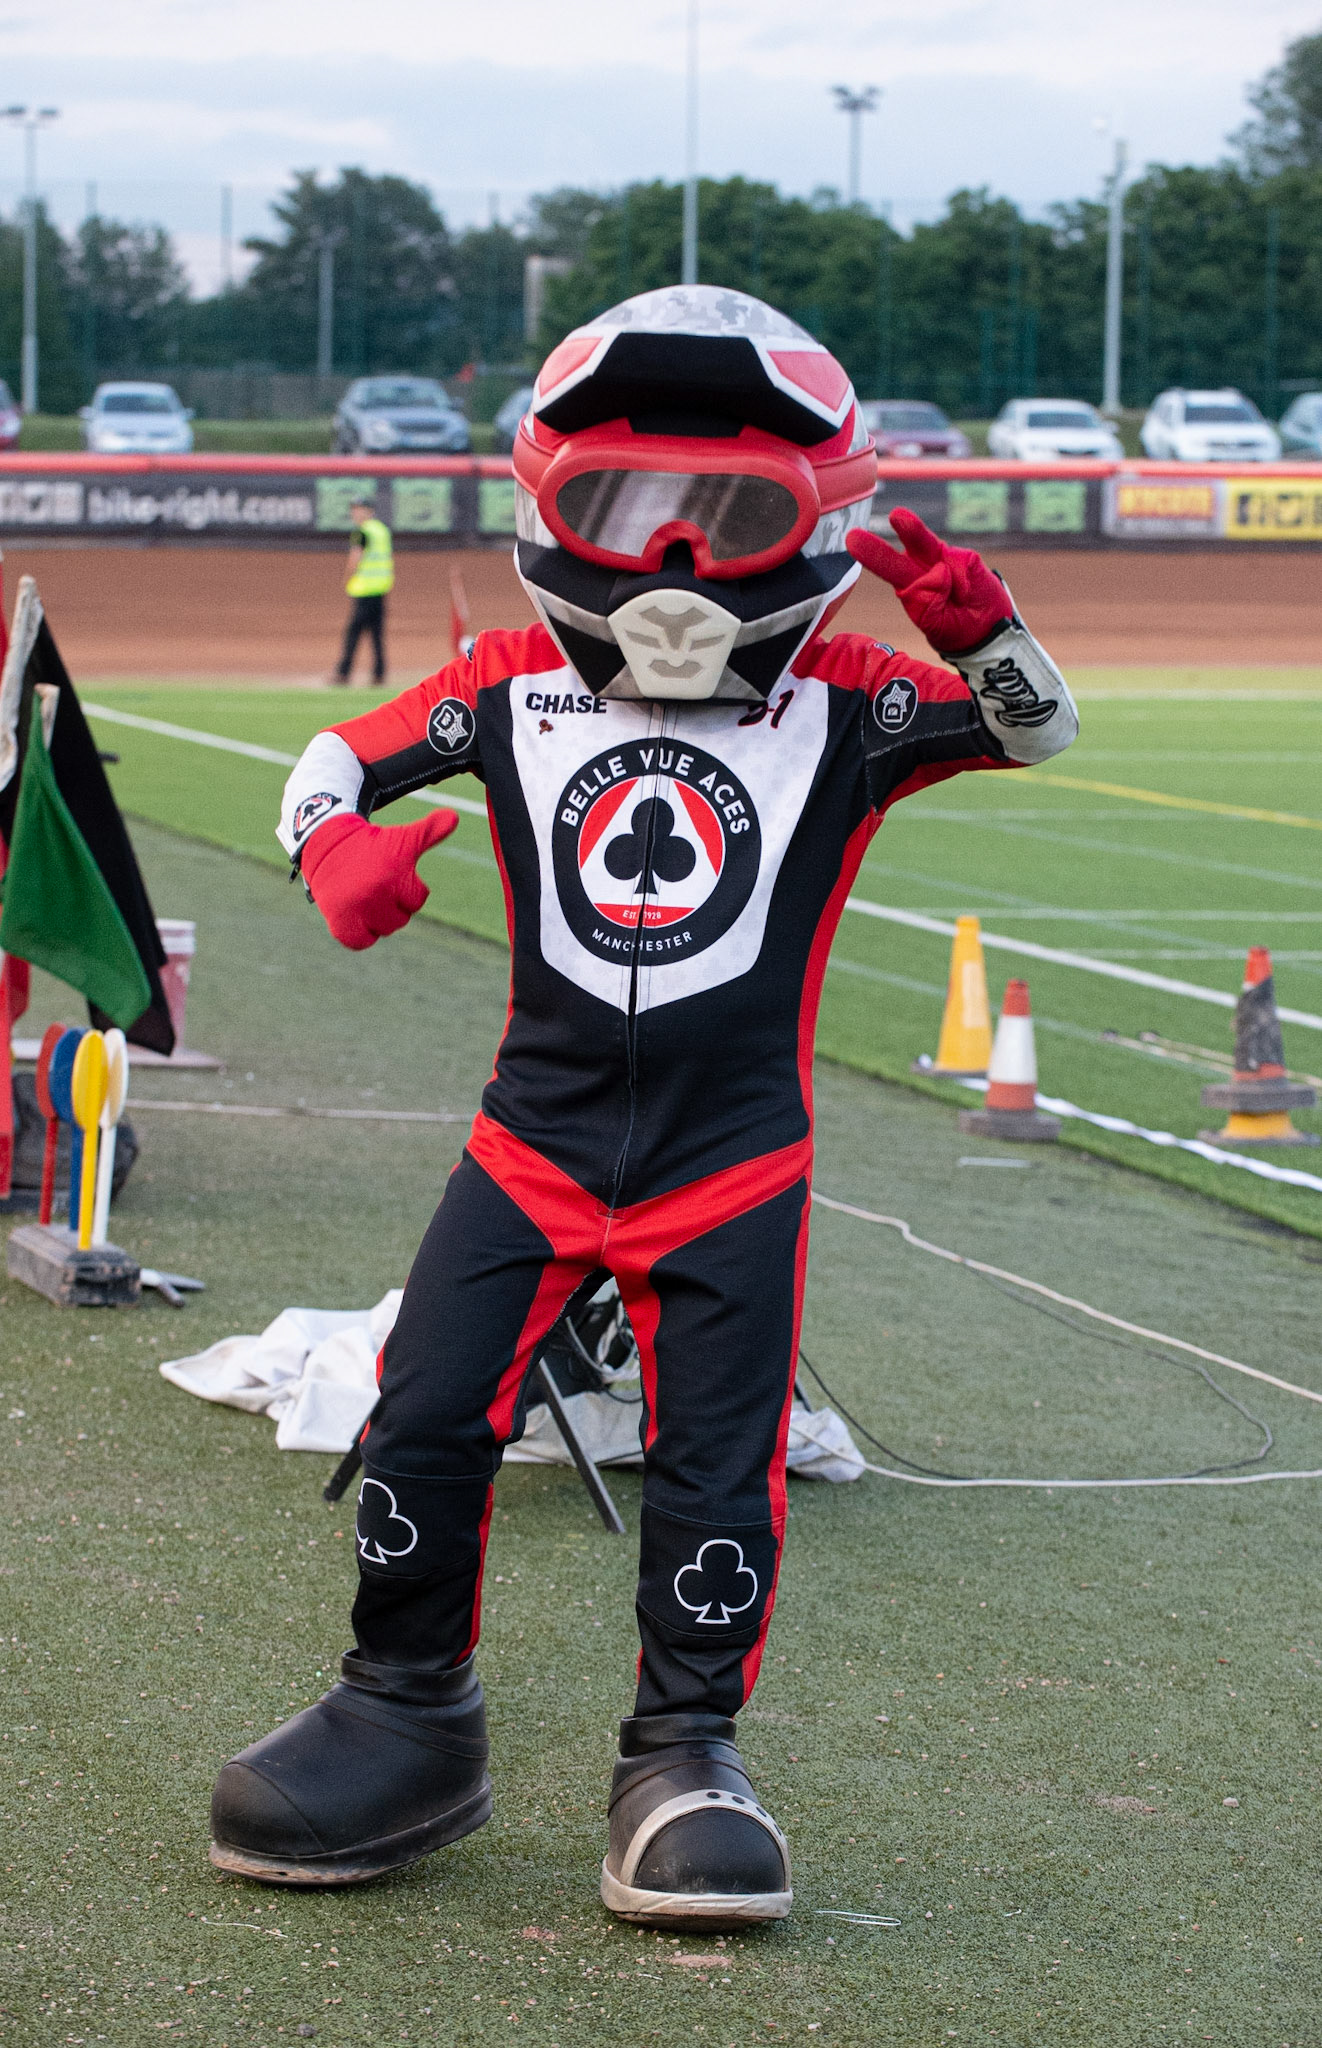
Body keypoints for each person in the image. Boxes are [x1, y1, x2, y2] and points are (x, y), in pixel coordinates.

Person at [211, 286, 1078, 1927]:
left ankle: (683, 1753)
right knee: (421, 1410)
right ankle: (402, 1711)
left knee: (714, 1464)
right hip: (525, 1144)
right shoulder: (511, 683)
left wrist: (970, 615)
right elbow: (330, 758)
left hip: (731, 1161)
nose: (673, 563)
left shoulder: (846, 699)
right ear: (558, 506)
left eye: (725, 513)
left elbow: (1037, 727)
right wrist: (337, 849)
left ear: (804, 520)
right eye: (628, 507)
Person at [333, 495, 394, 686]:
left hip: (365, 590)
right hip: (381, 588)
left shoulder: (362, 532)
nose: (355, 513)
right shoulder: (381, 530)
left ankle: (343, 673)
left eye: (359, 509)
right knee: (376, 633)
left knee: (354, 632)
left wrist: (346, 578)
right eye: (354, 509)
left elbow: (355, 558)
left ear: (369, 511)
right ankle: (379, 673)